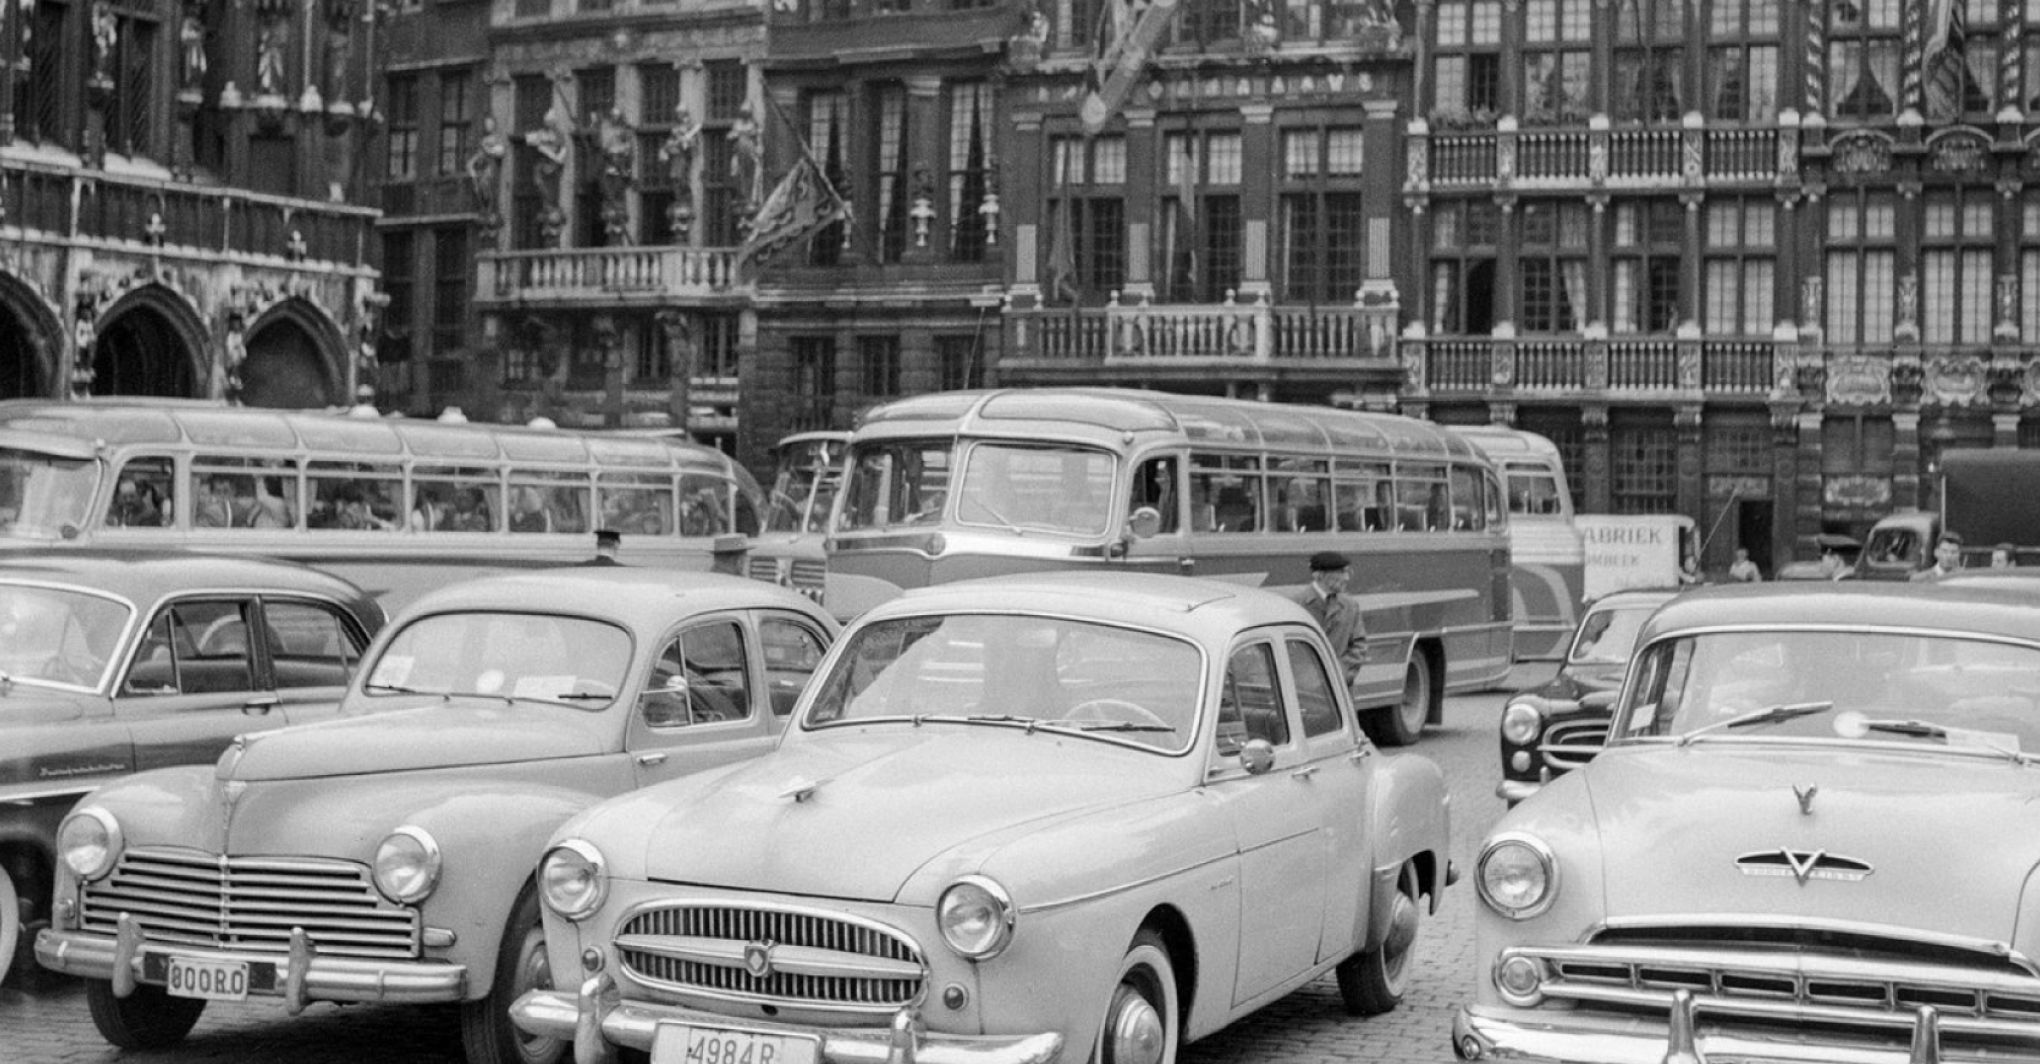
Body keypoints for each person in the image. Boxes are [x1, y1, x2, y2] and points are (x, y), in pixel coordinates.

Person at [1293, 550, 1368, 687]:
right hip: (1305, 690)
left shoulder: (1350, 606)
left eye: (1347, 572)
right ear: (1319, 575)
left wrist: (1341, 673)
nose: (1346, 578)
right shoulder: (1297, 605)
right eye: (1341, 572)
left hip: (1339, 690)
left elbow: (1359, 646)